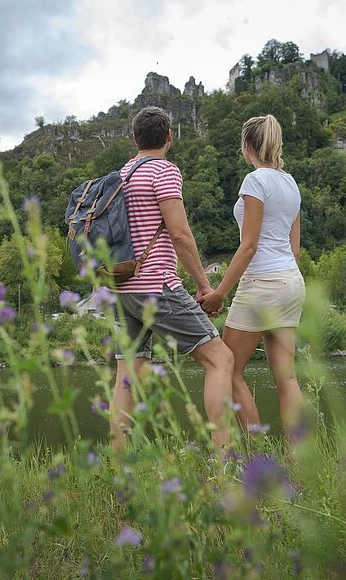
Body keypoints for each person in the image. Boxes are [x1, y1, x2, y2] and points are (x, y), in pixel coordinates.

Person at [110, 106, 235, 453]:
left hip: (120, 289)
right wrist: (203, 284)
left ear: (135, 139)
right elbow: (179, 234)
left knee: (127, 377)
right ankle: (226, 460)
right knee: (220, 359)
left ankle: (121, 471)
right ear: (169, 137)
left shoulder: (120, 176)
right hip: (155, 287)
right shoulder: (164, 171)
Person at [200, 114, 305, 439]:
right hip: (291, 281)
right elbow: (295, 248)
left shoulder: (255, 181)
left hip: (261, 284)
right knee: (286, 378)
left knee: (228, 368)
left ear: (247, 147)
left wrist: (219, 293)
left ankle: (257, 453)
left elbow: (248, 247)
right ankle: (299, 460)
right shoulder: (289, 182)